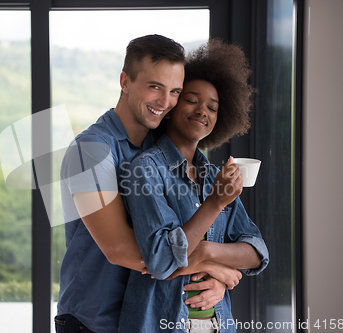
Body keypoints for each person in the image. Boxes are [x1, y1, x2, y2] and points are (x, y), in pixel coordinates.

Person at [118, 39, 269, 333]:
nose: (203, 111)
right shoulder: (146, 169)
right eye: (191, 100)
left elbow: (257, 252)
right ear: (171, 107)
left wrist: (208, 255)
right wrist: (215, 205)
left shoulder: (216, 176)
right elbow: (161, 261)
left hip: (217, 325)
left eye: (213, 107)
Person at [56, 34, 191, 333]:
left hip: (146, 318)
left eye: (175, 91)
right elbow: (120, 249)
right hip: (93, 322)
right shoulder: (91, 150)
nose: (165, 102)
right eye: (155, 87)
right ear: (125, 81)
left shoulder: (160, 148)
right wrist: (211, 263)